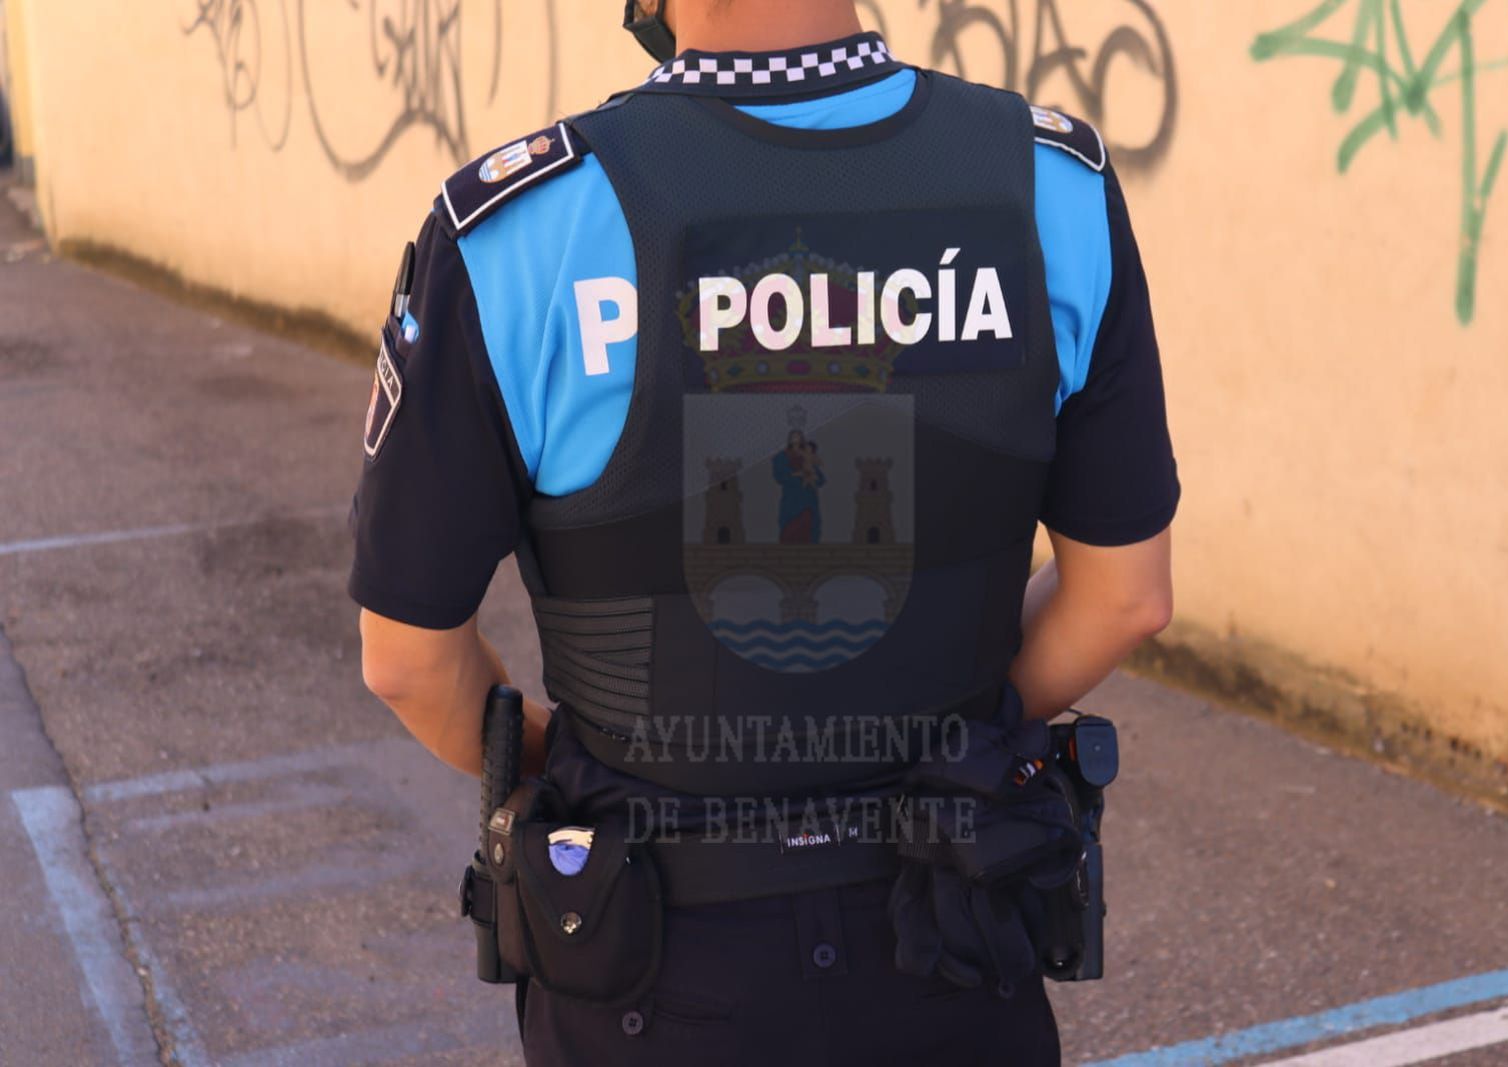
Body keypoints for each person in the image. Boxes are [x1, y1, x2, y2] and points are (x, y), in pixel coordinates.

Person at [349, 0, 1178, 1063]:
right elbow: (1125, 596)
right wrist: (958, 731)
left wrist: (588, 761)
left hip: (651, 969)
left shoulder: (521, 227)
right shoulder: (1050, 184)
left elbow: (410, 658)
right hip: (958, 936)